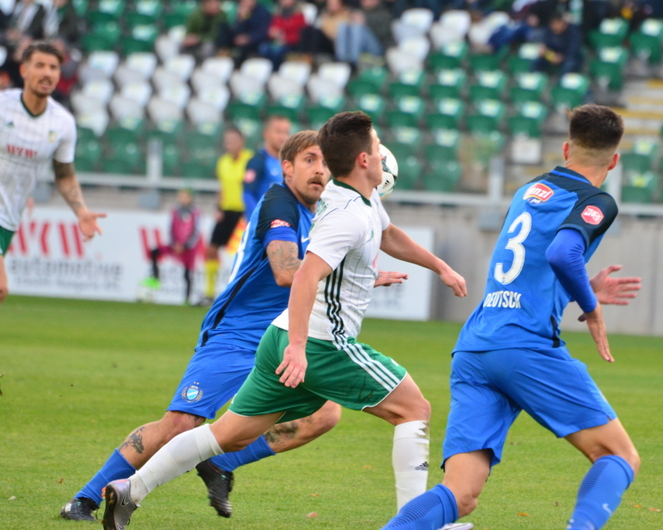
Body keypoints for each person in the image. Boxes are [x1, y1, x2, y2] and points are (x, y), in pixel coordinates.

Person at [99, 111, 468, 530]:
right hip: (320, 343)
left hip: (283, 337)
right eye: (376, 147)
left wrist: (440, 267)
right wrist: (297, 347)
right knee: (414, 408)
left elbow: (388, 233)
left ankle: (131, 490)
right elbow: (304, 275)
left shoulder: (362, 202)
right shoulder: (346, 213)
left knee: (225, 435)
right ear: (364, 160)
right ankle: (417, 524)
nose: (383, 153)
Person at [62, 131, 352, 522]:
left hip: (283, 335)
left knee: (325, 413)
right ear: (287, 167)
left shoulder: (318, 216)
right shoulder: (277, 203)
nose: (320, 170)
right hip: (237, 333)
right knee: (180, 424)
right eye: (310, 160)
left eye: (326, 163)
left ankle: (221, 463)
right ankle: (83, 500)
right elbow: (286, 272)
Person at [379, 104, 643, 530]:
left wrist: (584, 289)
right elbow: (562, 252)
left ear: (565, 148)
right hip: (524, 346)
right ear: (613, 161)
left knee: (460, 494)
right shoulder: (596, 201)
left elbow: (532, 265)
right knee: (619, 455)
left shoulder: (529, 190)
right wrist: (591, 310)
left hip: (477, 346)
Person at [0, 42, 104, 386]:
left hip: (7, 218)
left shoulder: (62, 122)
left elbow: (64, 173)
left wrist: (81, 211)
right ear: (23, 70)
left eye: (54, 68)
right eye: (40, 65)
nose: (47, 73)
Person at [201, 128, 253, 306]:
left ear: (242, 142)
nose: (229, 144)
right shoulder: (223, 162)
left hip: (244, 213)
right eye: (227, 141)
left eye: (232, 140)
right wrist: (219, 207)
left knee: (245, 254)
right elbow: (223, 187)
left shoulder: (250, 160)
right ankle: (209, 293)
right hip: (227, 211)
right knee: (211, 250)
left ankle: (242, 294)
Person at [141, 189, 202, 305]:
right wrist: (174, 243)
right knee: (154, 251)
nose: (182, 199)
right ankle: (155, 276)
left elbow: (195, 231)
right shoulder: (175, 211)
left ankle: (187, 299)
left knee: (187, 273)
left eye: (185, 197)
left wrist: (185, 245)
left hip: (187, 248)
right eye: (181, 197)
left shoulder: (195, 213)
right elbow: (171, 228)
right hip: (174, 245)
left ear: (190, 198)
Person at [335, 0, 392, 66]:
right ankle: (342, 59)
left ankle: (353, 63)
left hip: (378, 48)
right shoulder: (360, 11)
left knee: (358, 27)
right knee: (342, 25)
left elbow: (383, 34)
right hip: (360, 47)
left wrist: (365, 22)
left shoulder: (384, 13)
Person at [218, 0, 272, 66]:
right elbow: (236, 30)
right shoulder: (242, 12)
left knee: (245, 48)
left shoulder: (262, 12)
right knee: (223, 27)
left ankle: (237, 65)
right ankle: (223, 53)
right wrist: (240, 19)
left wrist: (248, 38)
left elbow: (263, 33)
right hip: (240, 38)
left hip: (254, 41)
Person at [258, 0, 306, 68]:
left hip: (291, 45)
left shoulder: (299, 16)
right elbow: (272, 29)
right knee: (264, 48)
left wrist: (284, 38)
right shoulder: (277, 14)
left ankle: (275, 70)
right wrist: (273, 33)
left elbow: (301, 35)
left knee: (278, 52)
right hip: (276, 43)